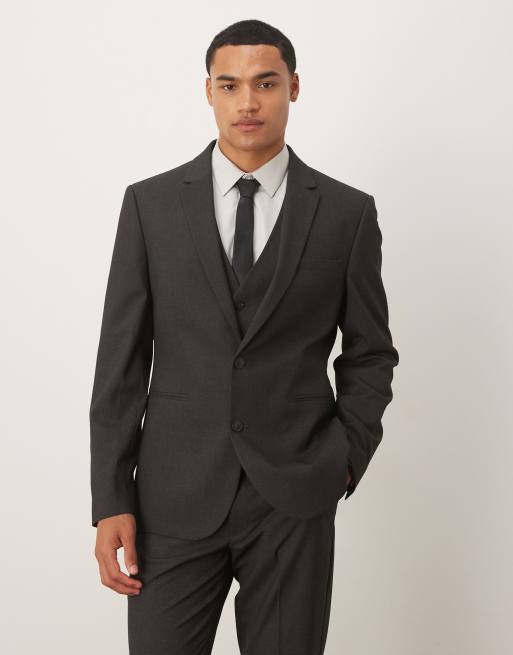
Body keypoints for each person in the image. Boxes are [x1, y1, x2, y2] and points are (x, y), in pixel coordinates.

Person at [89, 18, 399, 654]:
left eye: (266, 83)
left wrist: (343, 459)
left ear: (294, 87)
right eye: (229, 85)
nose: (247, 102)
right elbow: (122, 361)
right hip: (173, 498)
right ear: (209, 92)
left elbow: (370, 353)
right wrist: (111, 496)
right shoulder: (150, 206)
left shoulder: (346, 213)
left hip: (293, 498)